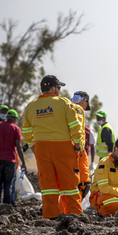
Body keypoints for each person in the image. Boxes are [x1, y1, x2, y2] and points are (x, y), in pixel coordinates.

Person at [22, 75, 84, 219]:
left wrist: (34, 148)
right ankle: (74, 214)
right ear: (53, 88)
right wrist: (77, 146)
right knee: (69, 183)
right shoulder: (64, 103)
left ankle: (50, 216)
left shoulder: (31, 106)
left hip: (41, 148)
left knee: (48, 185)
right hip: (63, 148)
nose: (60, 90)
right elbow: (75, 127)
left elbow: (25, 133)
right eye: (59, 88)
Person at [0, 109, 26, 205]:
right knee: (8, 184)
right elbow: (19, 147)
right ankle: (7, 206)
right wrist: (23, 162)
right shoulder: (16, 129)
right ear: (15, 119)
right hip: (10, 160)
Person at [70, 91, 93, 198]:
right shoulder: (78, 110)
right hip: (76, 150)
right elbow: (77, 129)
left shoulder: (66, 107)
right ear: (85, 101)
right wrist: (78, 147)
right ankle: (74, 206)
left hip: (67, 149)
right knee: (83, 182)